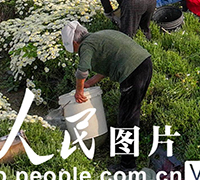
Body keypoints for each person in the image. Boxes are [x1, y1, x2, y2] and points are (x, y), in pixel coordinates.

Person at [63, 21, 152, 169]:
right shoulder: (100, 36)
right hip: (145, 64)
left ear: (74, 42)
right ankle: (131, 158)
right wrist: (91, 82)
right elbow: (110, 63)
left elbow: (82, 71)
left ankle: (127, 165)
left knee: (126, 119)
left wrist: (79, 91)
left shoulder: (86, 46)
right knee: (131, 114)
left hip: (132, 73)